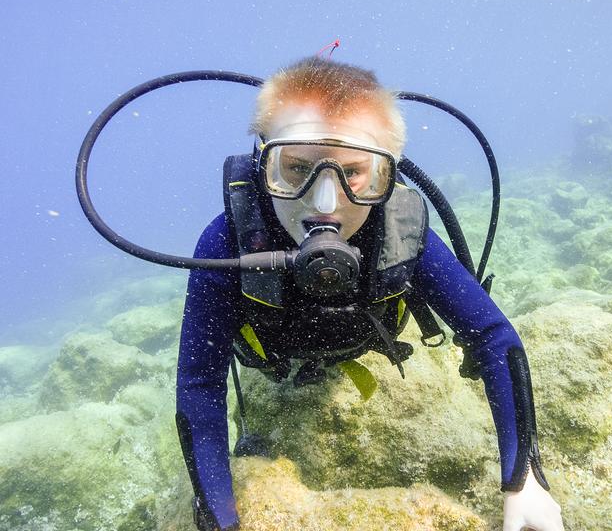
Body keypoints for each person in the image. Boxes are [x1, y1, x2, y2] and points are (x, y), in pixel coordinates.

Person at [176, 57, 564, 531]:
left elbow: (493, 338)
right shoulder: (226, 242)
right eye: (295, 169)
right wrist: (220, 520)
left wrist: (523, 480)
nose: (324, 203)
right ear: (262, 163)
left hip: (368, 340)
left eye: (354, 173)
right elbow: (201, 382)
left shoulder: (402, 233)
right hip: (272, 358)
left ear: (388, 175)